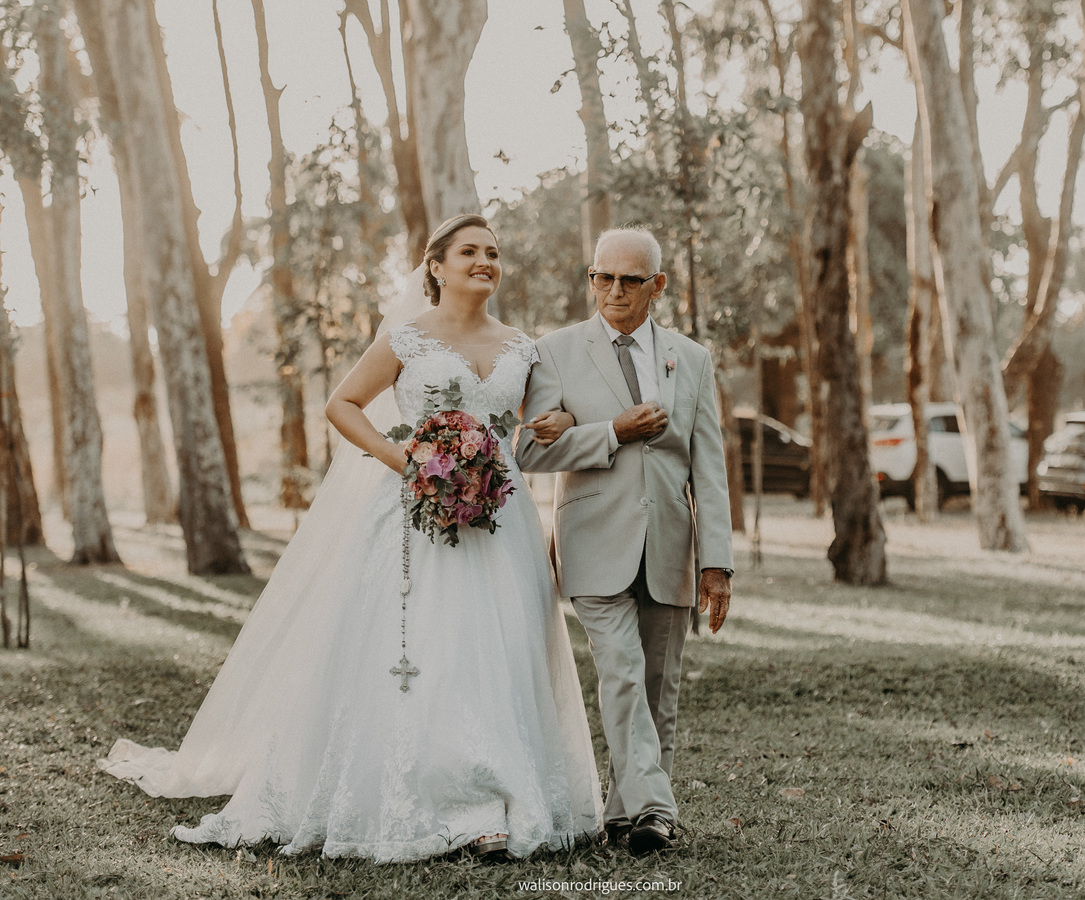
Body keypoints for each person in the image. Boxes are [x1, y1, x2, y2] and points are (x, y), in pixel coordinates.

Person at [99, 215, 602, 863]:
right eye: (470, 252)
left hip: (501, 519)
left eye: (493, 253)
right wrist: (409, 460)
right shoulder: (408, 337)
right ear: (436, 267)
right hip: (414, 517)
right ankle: (439, 795)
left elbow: (533, 425)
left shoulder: (521, 347)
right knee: (422, 650)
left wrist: (558, 419)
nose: (485, 261)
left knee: (499, 649)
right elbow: (342, 403)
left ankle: (495, 793)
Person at [515, 226, 734, 856]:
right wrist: (612, 431)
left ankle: (625, 816)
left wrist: (716, 563)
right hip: (593, 542)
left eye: (629, 280)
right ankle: (657, 808)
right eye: (602, 277)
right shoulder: (554, 352)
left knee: (658, 687)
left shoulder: (691, 359)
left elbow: (708, 469)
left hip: (670, 545)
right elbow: (529, 451)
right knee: (621, 673)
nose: (613, 290)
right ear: (591, 278)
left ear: (656, 285)